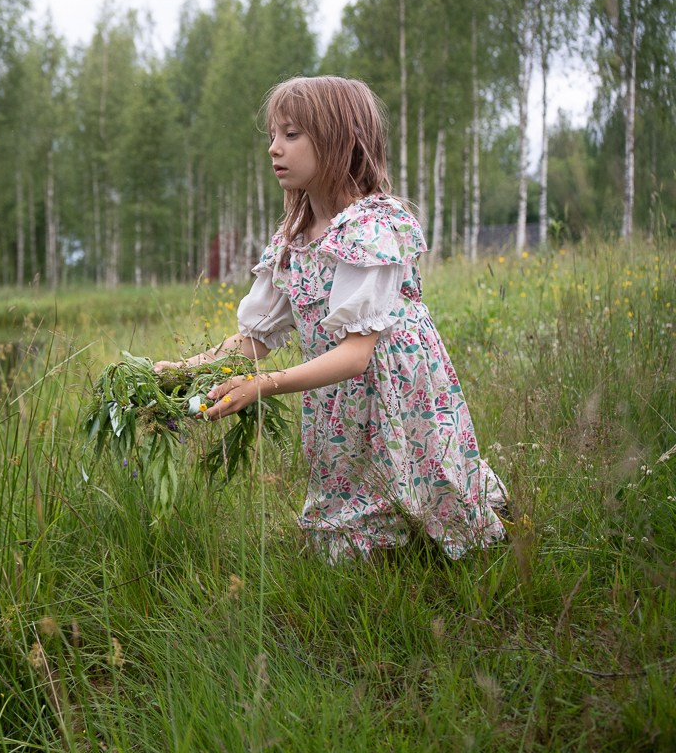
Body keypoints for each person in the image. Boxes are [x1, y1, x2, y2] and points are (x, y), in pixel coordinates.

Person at [155, 75, 507, 563]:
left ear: (339, 139)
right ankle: (379, 553)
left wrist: (262, 385)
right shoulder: (294, 239)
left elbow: (356, 355)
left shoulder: (373, 226)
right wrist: (184, 370)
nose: (274, 148)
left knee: (429, 486)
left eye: (291, 134)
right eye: (273, 135)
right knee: (347, 527)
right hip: (337, 399)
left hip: (396, 391)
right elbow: (255, 340)